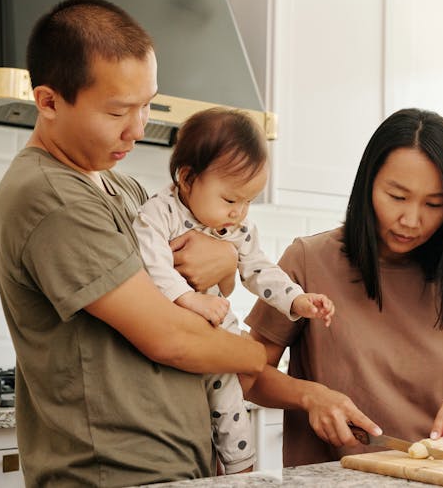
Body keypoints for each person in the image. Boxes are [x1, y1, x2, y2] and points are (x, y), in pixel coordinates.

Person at [0, 0, 266, 487]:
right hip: (113, 474)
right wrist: (257, 354)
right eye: (119, 110)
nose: (138, 130)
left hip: (172, 465)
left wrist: (224, 259)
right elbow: (172, 338)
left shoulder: (124, 189)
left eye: (147, 106)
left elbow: (210, 285)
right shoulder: (50, 196)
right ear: (49, 102)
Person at [242, 108, 443, 466]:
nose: (411, 220)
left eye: (434, 204)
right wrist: (310, 396)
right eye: (397, 196)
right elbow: (249, 374)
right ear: (368, 183)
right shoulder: (308, 261)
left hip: (442, 475)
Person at [132, 107, 335, 474]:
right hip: (174, 340)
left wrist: (297, 299)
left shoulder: (237, 230)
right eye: (231, 200)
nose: (240, 212)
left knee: (231, 408)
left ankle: (240, 471)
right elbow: (154, 265)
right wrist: (190, 298)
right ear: (187, 178)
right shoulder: (157, 214)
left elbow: (259, 270)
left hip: (216, 342)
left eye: (248, 202)